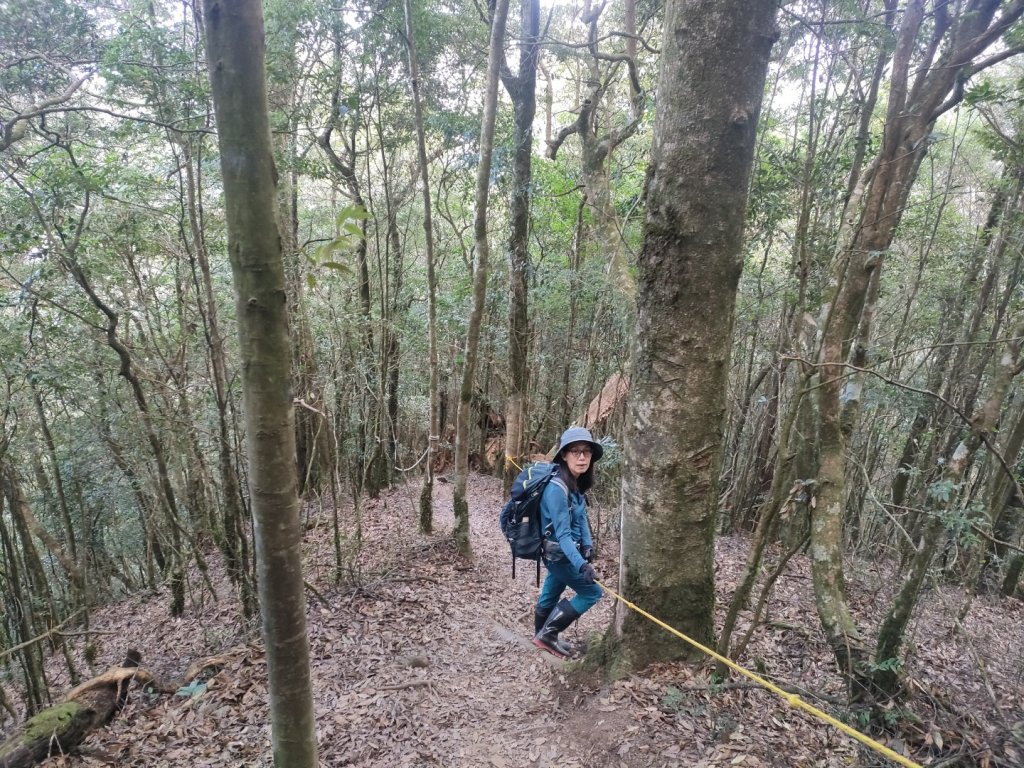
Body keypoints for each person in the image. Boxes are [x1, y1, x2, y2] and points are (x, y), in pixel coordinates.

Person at [532, 426, 603, 658]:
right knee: (592, 593)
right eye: (575, 451)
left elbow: (581, 517)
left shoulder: (576, 483)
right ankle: (548, 635)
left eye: (586, 451)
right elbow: (562, 535)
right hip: (559, 554)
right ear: (564, 455)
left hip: (564, 555)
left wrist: (588, 545)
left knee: (552, 591)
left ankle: (541, 635)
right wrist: (582, 565)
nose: (582, 457)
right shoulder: (556, 489)